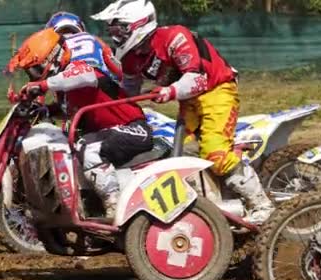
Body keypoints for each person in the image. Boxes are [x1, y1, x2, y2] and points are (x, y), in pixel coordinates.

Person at [91, 0, 274, 223]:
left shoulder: (174, 37)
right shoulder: (131, 57)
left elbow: (196, 79)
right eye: (112, 31)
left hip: (216, 90)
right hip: (188, 101)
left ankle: (262, 205)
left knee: (215, 154)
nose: (116, 36)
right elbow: (129, 89)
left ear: (139, 24)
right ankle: (209, 207)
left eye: (120, 30)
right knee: (179, 156)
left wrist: (169, 91)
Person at [6, 28, 153, 218]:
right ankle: (87, 207)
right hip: (109, 134)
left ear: (52, 59)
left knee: (88, 147)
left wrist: (42, 85)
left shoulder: (80, 69)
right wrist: (45, 110)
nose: (32, 75)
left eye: (35, 69)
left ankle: (114, 206)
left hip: (133, 129)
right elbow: (66, 109)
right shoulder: (64, 88)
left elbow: (86, 76)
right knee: (69, 150)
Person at [45, 11, 122, 83]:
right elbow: (118, 71)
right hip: (104, 86)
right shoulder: (95, 40)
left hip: (72, 89)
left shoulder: (52, 50)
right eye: (63, 32)